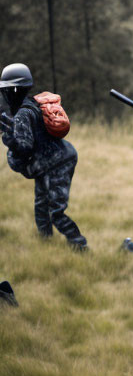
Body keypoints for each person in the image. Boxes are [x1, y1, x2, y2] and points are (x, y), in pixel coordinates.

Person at [0, 63, 88, 251]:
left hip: (58, 163)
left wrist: (9, 139)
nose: (5, 94)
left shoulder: (23, 113)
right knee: (41, 206)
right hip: (49, 163)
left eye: (6, 90)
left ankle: (80, 247)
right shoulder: (32, 104)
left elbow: (24, 146)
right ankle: (46, 247)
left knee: (55, 212)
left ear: (14, 90)